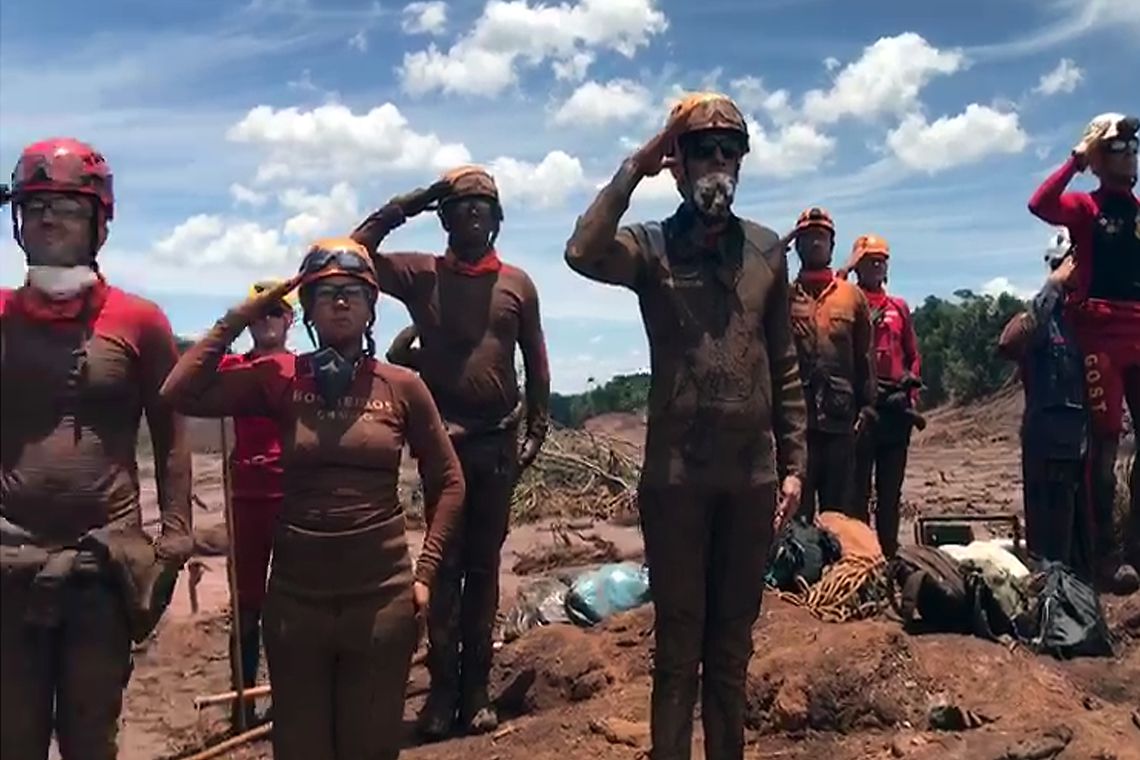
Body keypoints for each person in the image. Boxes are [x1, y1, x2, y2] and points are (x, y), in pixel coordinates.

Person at [563, 92, 807, 760]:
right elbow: (581, 252)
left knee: (731, 649)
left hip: (751, 480)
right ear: (679, 162)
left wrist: (795, 467)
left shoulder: (765, 250)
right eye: (703, 149)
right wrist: (635, 164)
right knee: (678, 650)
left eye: (731, 150)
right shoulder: (650, 247)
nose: (719, 162)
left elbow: (783, 364)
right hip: (676, 480)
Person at [160, 239, 465, 760]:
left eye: (352, 293)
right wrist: (239, 317)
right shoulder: (281, 378)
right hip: (297, 602)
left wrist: (425, 575)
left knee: (369, 746)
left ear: (372, 308)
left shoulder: (403, 386)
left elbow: (450, 481)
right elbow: (178, 393)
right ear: (306, 310)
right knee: (300, 748)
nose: (340, 302)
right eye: (324, 294)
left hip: (381, 596)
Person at [0, 137, 193, 759]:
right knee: (13, 737)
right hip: (8, 562)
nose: (48, 218)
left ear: (100, 222)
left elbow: (172, 434)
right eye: (34, 206)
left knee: (89, 737)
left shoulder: (141, 322)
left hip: (103, 566)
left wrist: (176, 537)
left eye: (67, 207)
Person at [350, 166, 550, 737]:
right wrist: (408, 202)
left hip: (498, 442)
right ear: (444, 216)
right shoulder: (420, 275)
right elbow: (355, 252)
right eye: (461, 206)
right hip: (442, 446)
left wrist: (536, 427)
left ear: (498, 217)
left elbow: (536, 359)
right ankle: (441, 696)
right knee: (442, 568)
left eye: (484, 205)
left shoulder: (518, 285)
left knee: (485, 569)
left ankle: (477, 692)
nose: (473, 214)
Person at [1027, 112, 1139, 594]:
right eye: (1119, 148)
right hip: (1100, 338)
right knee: (1105, 447)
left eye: (1133, 148)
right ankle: (1105, 558)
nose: (1131, 155)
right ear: (1099, 159)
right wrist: (1076, 157)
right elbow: (1039, 203)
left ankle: (1135, 546)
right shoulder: (1086, 208)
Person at [218, 279, 296, 726]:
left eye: (274, 312)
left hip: (292, 496)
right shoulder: (231, 366)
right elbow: (191, 373)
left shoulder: (301, 369)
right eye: (258, 312)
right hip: (244, 497)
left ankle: (291, 696)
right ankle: (242, 704)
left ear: (289, 320)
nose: (266, 320)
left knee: (290, 600)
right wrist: (230, 325)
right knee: (246, 602)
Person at [997, 230, 1088, 573]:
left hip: (1084, 446)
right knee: (1048, 553)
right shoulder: (1039, 320)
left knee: (1079, 548)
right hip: (1047, 444)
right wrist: (1052, 286)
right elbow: (1008, 343)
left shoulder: (1089, 321)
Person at [787, 207, 876, 519]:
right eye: (808, 238)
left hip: (841, 423)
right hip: (797, 427)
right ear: (796, 246)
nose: (814, 244)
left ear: (832, 246)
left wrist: (867, 407)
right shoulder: (783, 297)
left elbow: (865, 357)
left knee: (839, 515)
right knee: (797, 514)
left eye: (821, 238)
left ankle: (838, 569)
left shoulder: (852, 298)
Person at [838, 233, 921, 557]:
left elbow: (913, 353)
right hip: (863, 407)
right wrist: (847, 264)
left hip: (896, 408)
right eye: (869, 261)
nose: (876, 266)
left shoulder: (898, 307)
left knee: (890, 492)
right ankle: (860, 556)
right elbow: (832, 285)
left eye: (880, 261)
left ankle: (889, 555)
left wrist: (912, 394)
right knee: (857, 489)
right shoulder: (847, 299)